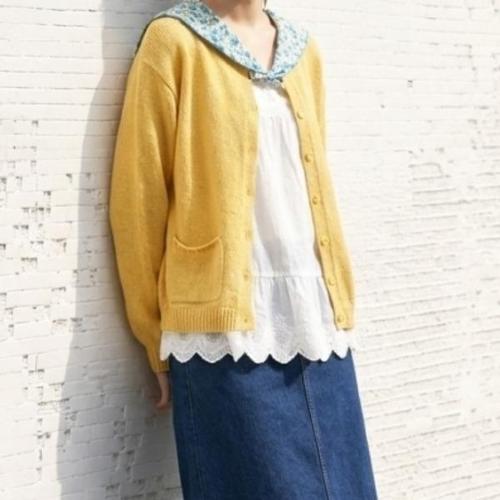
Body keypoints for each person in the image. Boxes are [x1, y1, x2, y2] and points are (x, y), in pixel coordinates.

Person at [109, 0, 378, 498]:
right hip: (223, 338)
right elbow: (137, 202)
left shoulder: (304, 52)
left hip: (317, 323)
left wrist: (338, 305)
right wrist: (154, 340)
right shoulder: (173, 42)